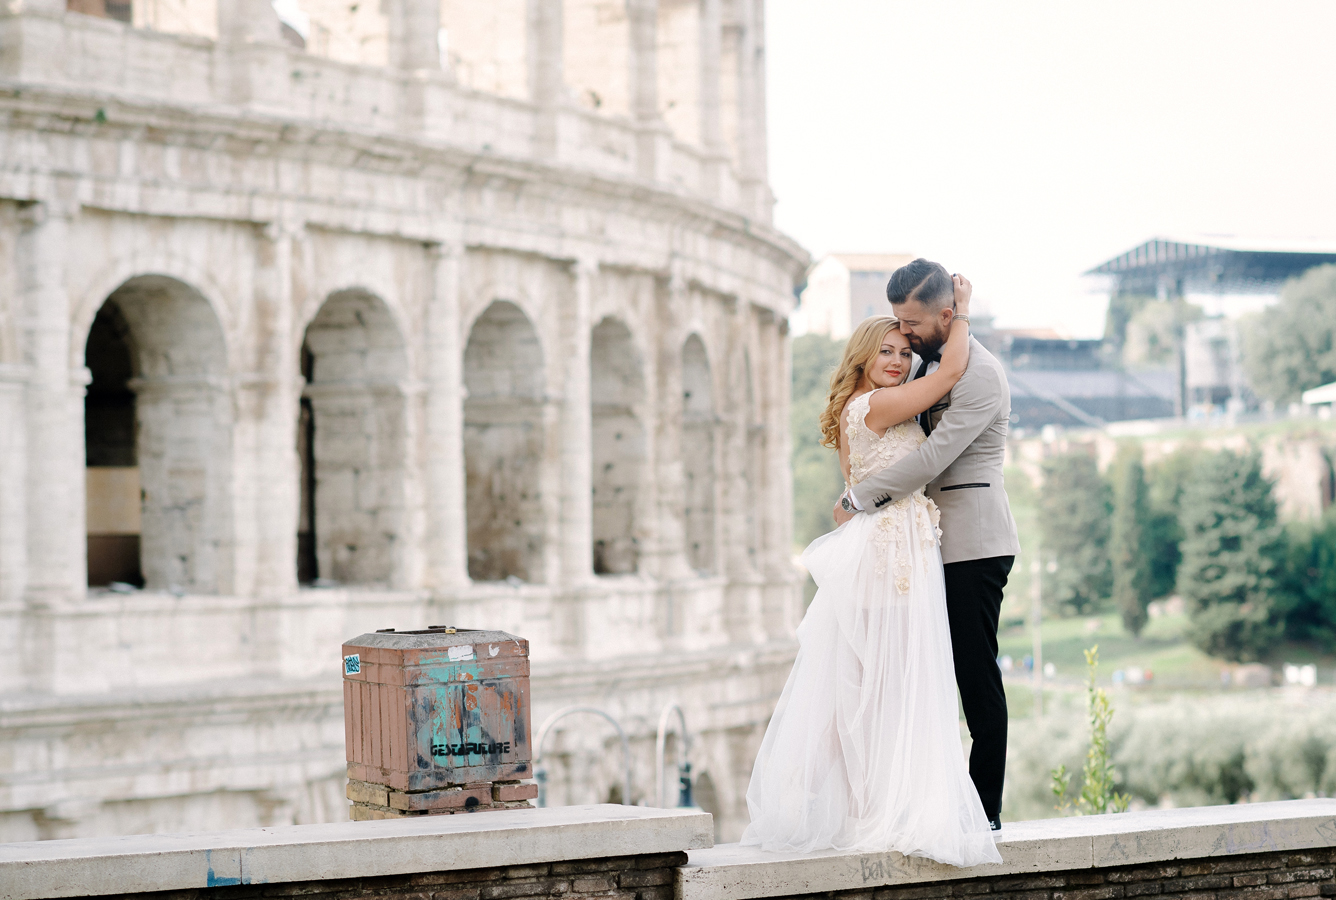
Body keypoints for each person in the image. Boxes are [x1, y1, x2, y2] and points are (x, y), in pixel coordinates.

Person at [740, 268, 1003, 867]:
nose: (898, 359)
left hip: (890, 546)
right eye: (886, 349)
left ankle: (865, 805)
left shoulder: (858, 409)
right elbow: (951, 375)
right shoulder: (878, 406)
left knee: (875, 683)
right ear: (861, 355)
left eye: (904, 351)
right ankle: (880, 806)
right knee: (892, 682)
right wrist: (962, 311)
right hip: (892, 554)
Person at [839, 259, 1020, 833]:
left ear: (944, 316)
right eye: (897, 323)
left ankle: (984, 812)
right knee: (923, 673)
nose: (904, 335)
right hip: (927, 546)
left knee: (974, 675)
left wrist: (859, 497)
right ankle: (922, 800)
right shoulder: (929, 360)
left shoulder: (979, 375)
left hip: (973, 541)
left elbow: (936, 456)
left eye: (911, 324)